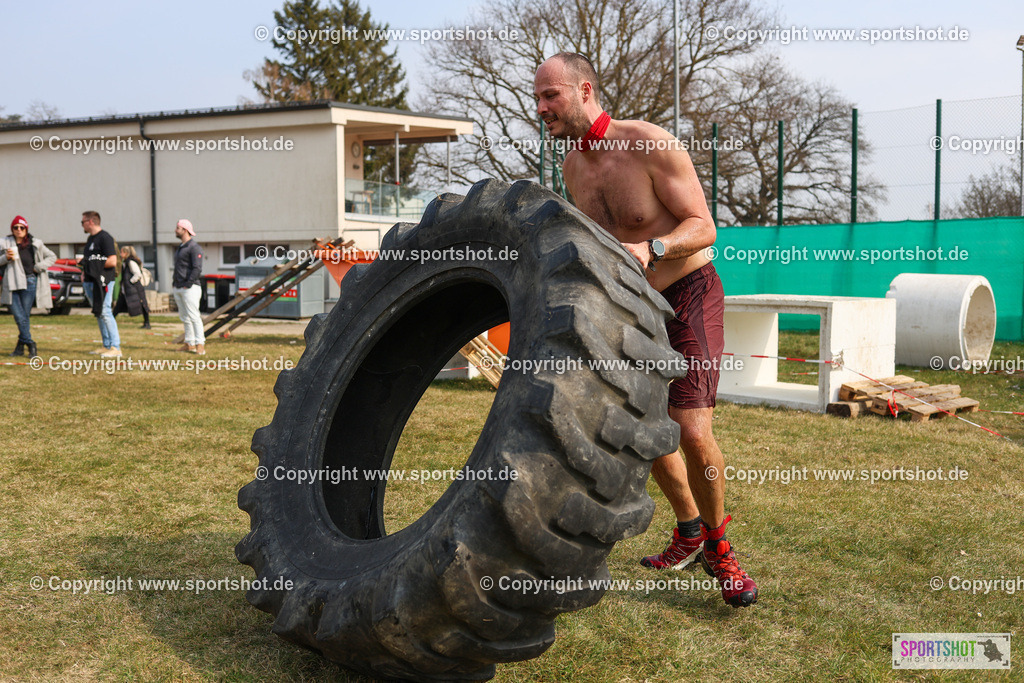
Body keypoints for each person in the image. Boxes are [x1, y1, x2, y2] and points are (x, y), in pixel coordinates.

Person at [534, 53, 758, 608]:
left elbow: (704, 227)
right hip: (632, 307)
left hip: (690, 291)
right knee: (647, 427)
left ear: (585, 91)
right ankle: (687, 532)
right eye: (537, 99)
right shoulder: (571, 168)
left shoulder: (649, 142)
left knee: (690, 426)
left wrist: (653, 247)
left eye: (551, 96)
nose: (541, 109)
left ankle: (719, 547)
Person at [1, 215, 57, 358]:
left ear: (26, 229)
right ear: (12, 229)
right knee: (20, 317)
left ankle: (20, 348)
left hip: (30, 282)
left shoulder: (35, 243)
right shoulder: (5, 243)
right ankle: (31, 343)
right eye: (16, 227)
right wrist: (5, 258)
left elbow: (52, 256)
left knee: (24, 316)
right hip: (12, 283)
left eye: (22, 227)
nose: (19, 230)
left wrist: (38, 267)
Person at [79, 210, 122, 357]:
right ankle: (106, 345)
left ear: (91, 221)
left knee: (105, 311)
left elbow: (112, 261)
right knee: (99, 313)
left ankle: (116, 347)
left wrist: (94, 265)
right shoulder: (90, 240)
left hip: (103, 282)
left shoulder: (105, 238)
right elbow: (89, 260)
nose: (82, 225)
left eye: (83, 222)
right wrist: (85, 271)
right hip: (90, 281)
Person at [172, 219, 205, 354]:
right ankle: (189, 343)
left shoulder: (194, 247)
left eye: (178, 228)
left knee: (194, 316)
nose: (175, 230)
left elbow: (197, 268)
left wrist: (187, 284)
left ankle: (200, 344)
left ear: (185, 230)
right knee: (184, 317)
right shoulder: (181, 247)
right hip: (179, 287)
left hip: (190, 288)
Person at [115, 245, 151, 329]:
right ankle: (110, 321)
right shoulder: (125, 262)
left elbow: (137, 274)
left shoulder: (131, 262)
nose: (120, 254)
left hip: (135, 289)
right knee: (118, 306)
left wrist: (130, 282)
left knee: (142, 305)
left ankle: (147, 323)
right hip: (127, 290)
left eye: (122, 252)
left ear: (126, 253)